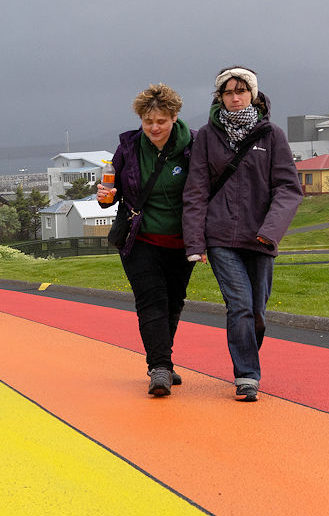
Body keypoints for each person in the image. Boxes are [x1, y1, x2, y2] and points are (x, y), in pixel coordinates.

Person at [181, 67, 303, 402]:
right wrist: (195, 241)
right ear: (219, 97)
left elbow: (288, 190)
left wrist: (270, 232)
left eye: (241, 91)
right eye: (228, 92)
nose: (235, 98)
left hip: (260, 239)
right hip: (220, 238)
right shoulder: (207, 136)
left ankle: (247, 355)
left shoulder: (272, 135)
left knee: (257, 312)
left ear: (253, 94)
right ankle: (246, 375)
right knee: (240, 306)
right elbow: (195, 191)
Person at [98, 83, 195, 397]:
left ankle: (163, 361)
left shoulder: (193, 145)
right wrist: (105, 197)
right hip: (139, 238)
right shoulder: (128, 147)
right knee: (151, 301)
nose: (154, 127)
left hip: (181, 240)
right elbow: (110, 193)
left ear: (175, 117)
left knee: (173, 302)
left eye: (161, 121)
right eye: (148, 121)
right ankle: (159, 368)